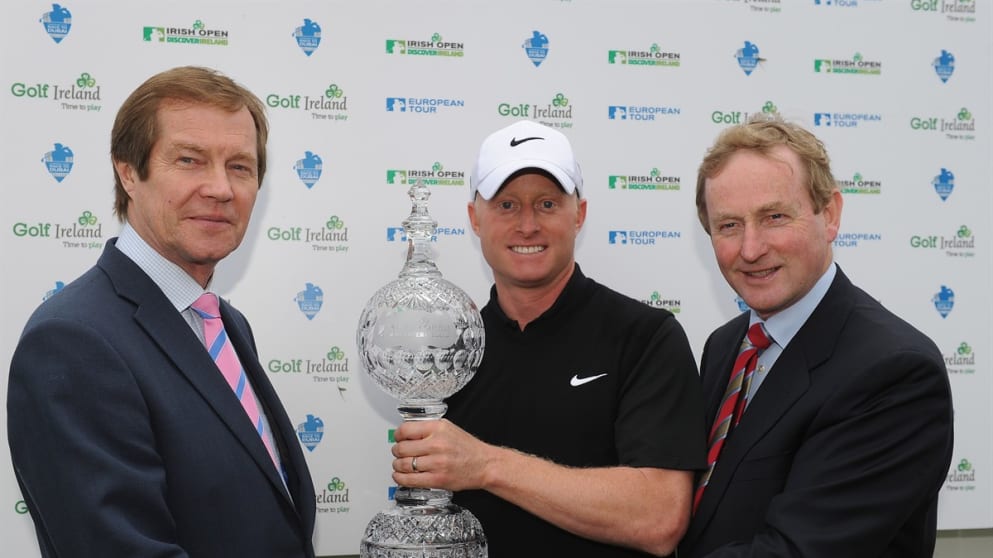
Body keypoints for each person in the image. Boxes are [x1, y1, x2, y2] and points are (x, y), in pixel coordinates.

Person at [7, 66, 316, 558]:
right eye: (190, 160)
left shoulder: (226, 325)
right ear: (128, 171)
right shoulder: (73, 341)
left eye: (240, 166)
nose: (220, 188)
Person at [389, 120, 706, 557]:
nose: (527, 225)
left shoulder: (645, 337)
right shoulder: (451, 357)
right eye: (506, 205)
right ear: (473, 219)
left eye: (546, 203)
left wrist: (484, 466)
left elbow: (658, 518)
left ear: (579, 214)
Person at [680, 113, 954, 557]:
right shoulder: (725, 346)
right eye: (729, 225)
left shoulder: (896, 371)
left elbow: (799, 550)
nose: (750, 249)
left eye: (774, 217)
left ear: (829, 215)